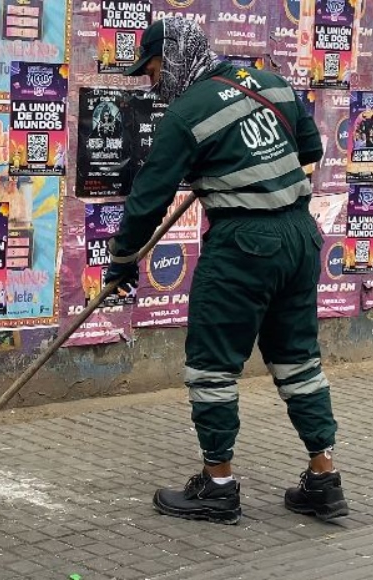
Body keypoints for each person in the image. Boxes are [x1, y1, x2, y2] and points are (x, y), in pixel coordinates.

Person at [103, 17, 348, 524]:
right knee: (298, 359)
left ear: (171, 58)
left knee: (211, 366)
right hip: (300, 237)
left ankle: (218, 487)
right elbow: (310, 150)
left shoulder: (186, 114)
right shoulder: (272, 82)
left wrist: (122, 263)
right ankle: (324, 479)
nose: (152, 84)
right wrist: (236, 166)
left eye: (151, 72)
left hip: (243, 245)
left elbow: (148, 198)